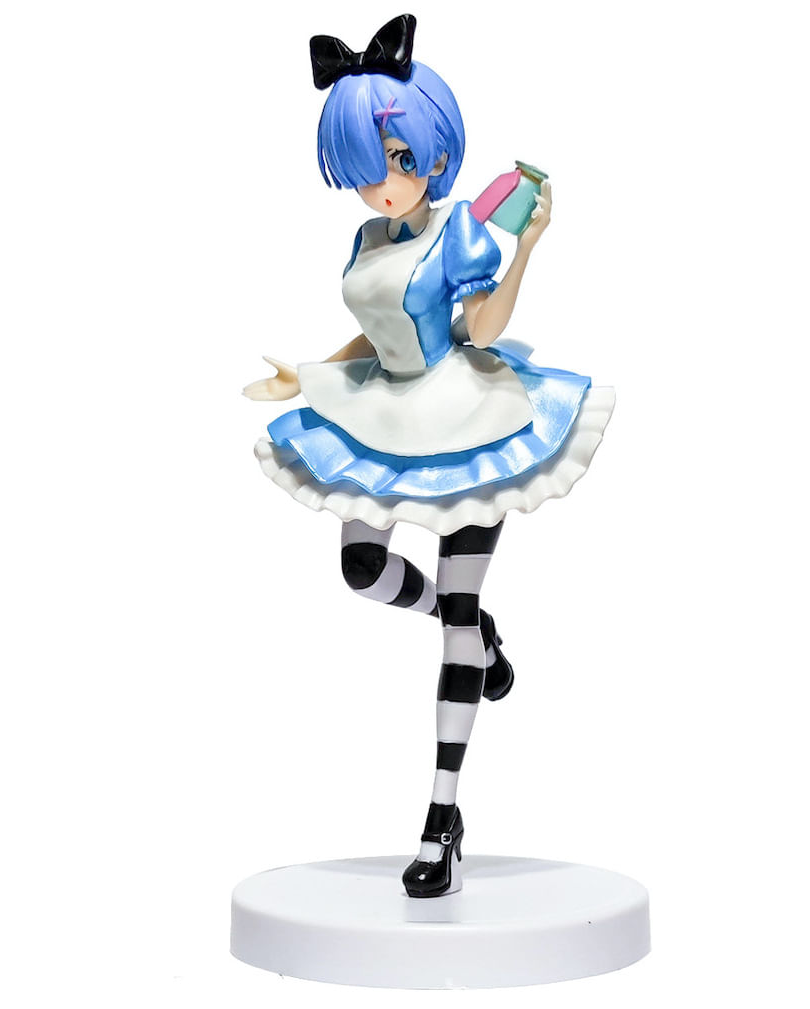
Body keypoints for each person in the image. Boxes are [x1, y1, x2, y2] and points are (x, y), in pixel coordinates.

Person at [244, 14, 614, 898]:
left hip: (468, 412)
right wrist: (308, 374)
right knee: (362, 569)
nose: (382, 184)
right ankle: (479, 634)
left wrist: (524, 247)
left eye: (399, 161)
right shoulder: (368, 239)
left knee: (455, 605)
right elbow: (373, 330)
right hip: (384, 406)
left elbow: (478, 327)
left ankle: (441, 817)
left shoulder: (460, 233)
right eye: (365, 169)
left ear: (435, 155)